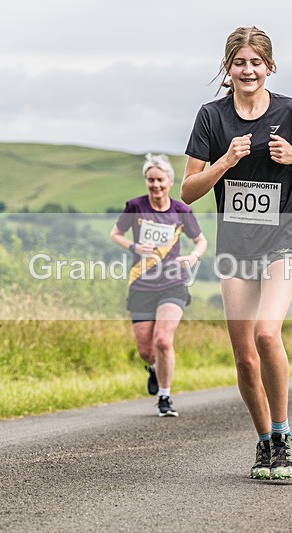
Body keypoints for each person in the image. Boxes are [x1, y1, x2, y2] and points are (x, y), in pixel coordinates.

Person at [181, 26, 292, 480]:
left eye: (256, 62)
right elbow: (188, 191)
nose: (247, 70)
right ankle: (265, 441)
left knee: (267, 334)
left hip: (282, 238)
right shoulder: (211, 118)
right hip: (235, 246)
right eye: (239, 62)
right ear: (227, 68)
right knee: (244, 355)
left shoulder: (291, 112)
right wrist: (224, 163)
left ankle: (284, 433)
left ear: (269, 66)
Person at [110, 153, 208, 417]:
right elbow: (115, 234)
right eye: (151, 180)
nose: (155, 185)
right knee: (145, 350)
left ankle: (165, 397)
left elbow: (201, 240)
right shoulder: (135, 207)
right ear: (146, 181)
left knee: (163, 340)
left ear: (170, 181)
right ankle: (153, 368)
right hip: (141, 285)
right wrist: (134, 246)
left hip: (172, 284)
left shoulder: (181, 211)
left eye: (160, 180)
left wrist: (192, 257)